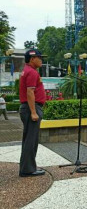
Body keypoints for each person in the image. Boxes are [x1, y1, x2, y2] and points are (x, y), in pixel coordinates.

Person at [19, 49, 47, 177]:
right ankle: (28, 170)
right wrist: (34, 112)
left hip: (28, 108)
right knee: (31, 140)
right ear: (32, 59)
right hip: (31, 108)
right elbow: (30, 92)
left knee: (28, 140)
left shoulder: (28, 70)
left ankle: (27, 167)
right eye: (39, 57)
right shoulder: (32, 72)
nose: (41, 60)